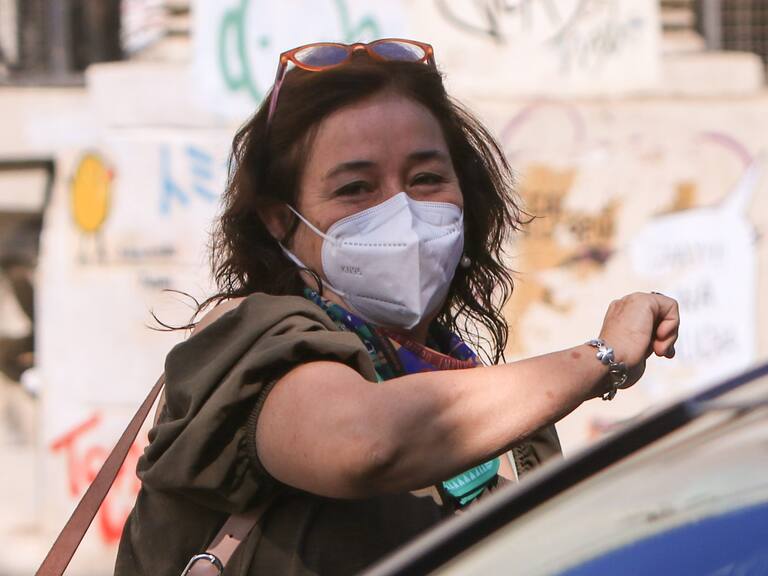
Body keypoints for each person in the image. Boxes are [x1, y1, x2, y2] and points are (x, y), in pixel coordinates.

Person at [115, 39, 679, 575]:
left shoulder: (495, 401)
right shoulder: (252, 342)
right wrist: (602, 358)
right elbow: (366, 443)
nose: (403, 211)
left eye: (427, 178)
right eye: (356, 189)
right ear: (279, 219)